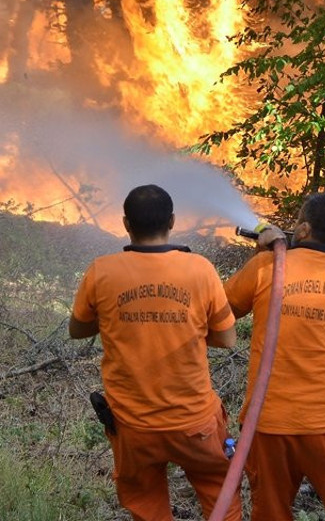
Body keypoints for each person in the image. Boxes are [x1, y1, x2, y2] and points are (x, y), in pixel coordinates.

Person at [69, 184, 242, 521]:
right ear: (173, 221)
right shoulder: (201, 269)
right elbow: (228, 339)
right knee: (219, 492)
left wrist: (118, 320)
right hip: (195, 424)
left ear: (125, 223)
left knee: (146, 506)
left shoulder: (101, 270)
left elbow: (77, 330)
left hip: (133, 426)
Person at [223, 192, 325, 521]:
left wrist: (263, 254)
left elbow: (225, 310)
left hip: (268, 425)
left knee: (270, 513)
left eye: (297, 224)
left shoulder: (265, 266)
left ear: (303, 229)